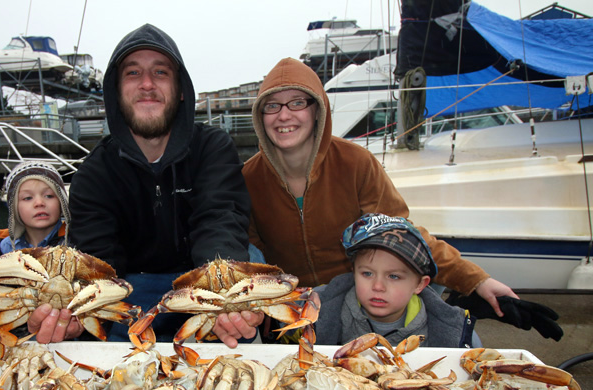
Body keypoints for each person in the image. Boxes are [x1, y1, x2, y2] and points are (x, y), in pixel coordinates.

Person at [214, 57, 561, 347]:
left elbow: (402, 235)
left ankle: (449, 310)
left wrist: (476, 281)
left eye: (297, 103)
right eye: (272, 106)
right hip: (295, 305)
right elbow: (254, 262)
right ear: (260, 117)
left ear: (317, 110)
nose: (284, 115)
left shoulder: (355, 163)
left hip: (361, 294)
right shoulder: (248, 179)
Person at [27, 23, 251, 344]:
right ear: (116, 93)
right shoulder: (94, 172)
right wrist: (76, 314)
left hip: (202, 284)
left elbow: (221, 221)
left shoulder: (213, 148)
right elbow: (97, 262)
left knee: (244, 264)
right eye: (133, 74)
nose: (147, 84)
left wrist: (224, 293)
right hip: (128, 293)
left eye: (160, 72)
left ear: (182, 88)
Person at [313, 213, 476, 347]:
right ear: (353, 273)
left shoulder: (450, 333)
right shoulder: (316, 308)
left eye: (394, 276)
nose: (378, 286)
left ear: (420, 284)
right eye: (367, 274)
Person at [0, 161, 70, 256]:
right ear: (14, 208)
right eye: (27, 198)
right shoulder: (4, 247)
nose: (39, 203)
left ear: (62, 202)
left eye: (49, 196)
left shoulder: (78, 241)